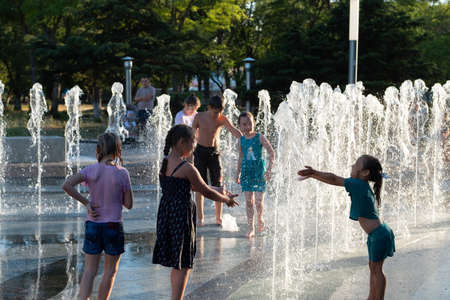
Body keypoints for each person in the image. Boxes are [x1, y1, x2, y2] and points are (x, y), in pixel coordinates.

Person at [152, 124, 239, 300]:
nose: (195, 147)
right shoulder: (187, 168)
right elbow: (205, 191)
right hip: (181, 217)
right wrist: (226, 200)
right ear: (182, 143)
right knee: (183, 264)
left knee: (177, 262)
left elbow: (196, 186)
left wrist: (220, 190)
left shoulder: (165, 163)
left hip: (167, 215)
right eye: (193, 143)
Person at [297, 155, 395, 300]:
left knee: (377, 271)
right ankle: (371, 297)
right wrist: (314, 175)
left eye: (356, 164)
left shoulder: (359, 184)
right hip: (377, 234)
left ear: (365, 173)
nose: (352, 165)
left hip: (379, 235)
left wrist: (314, 173)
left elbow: (334, 179)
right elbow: (333, 180)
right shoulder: (361, 185)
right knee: (374, 268)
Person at [62, 132, 133, 300]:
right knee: (110, 271)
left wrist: (86, 202)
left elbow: (67, 185)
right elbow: (129, 204)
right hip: (113, 226)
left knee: (89, 271)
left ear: (98, 150)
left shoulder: (90, 170)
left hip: (93, 225)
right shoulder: (122, 173)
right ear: (118, 151)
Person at [191, 95, 242, 226]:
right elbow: (191, 134)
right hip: (200, 152)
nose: (217, 114)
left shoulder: (222, 118)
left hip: (214, 153)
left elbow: (233, 130)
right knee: (199, 186)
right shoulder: (199, 117)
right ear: (209, 107)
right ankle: (200, 217)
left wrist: (245, 138)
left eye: (220, 111)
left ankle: (218, 217)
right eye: (215, 112)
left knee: (218, 185)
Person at [236, 112, 274, 238]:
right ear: (240, 126)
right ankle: (250, 227)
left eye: (250, 123)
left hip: (258, 173)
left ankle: (260, 217)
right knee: (248, 201)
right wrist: (238, 173)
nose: (247, 127)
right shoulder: (241, 140)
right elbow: (241, 157)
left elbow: (271, 152)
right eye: (244, 124)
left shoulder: (259, 137)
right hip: (247, 173)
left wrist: (269, 169)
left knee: (258, 201)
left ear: (254, 123)